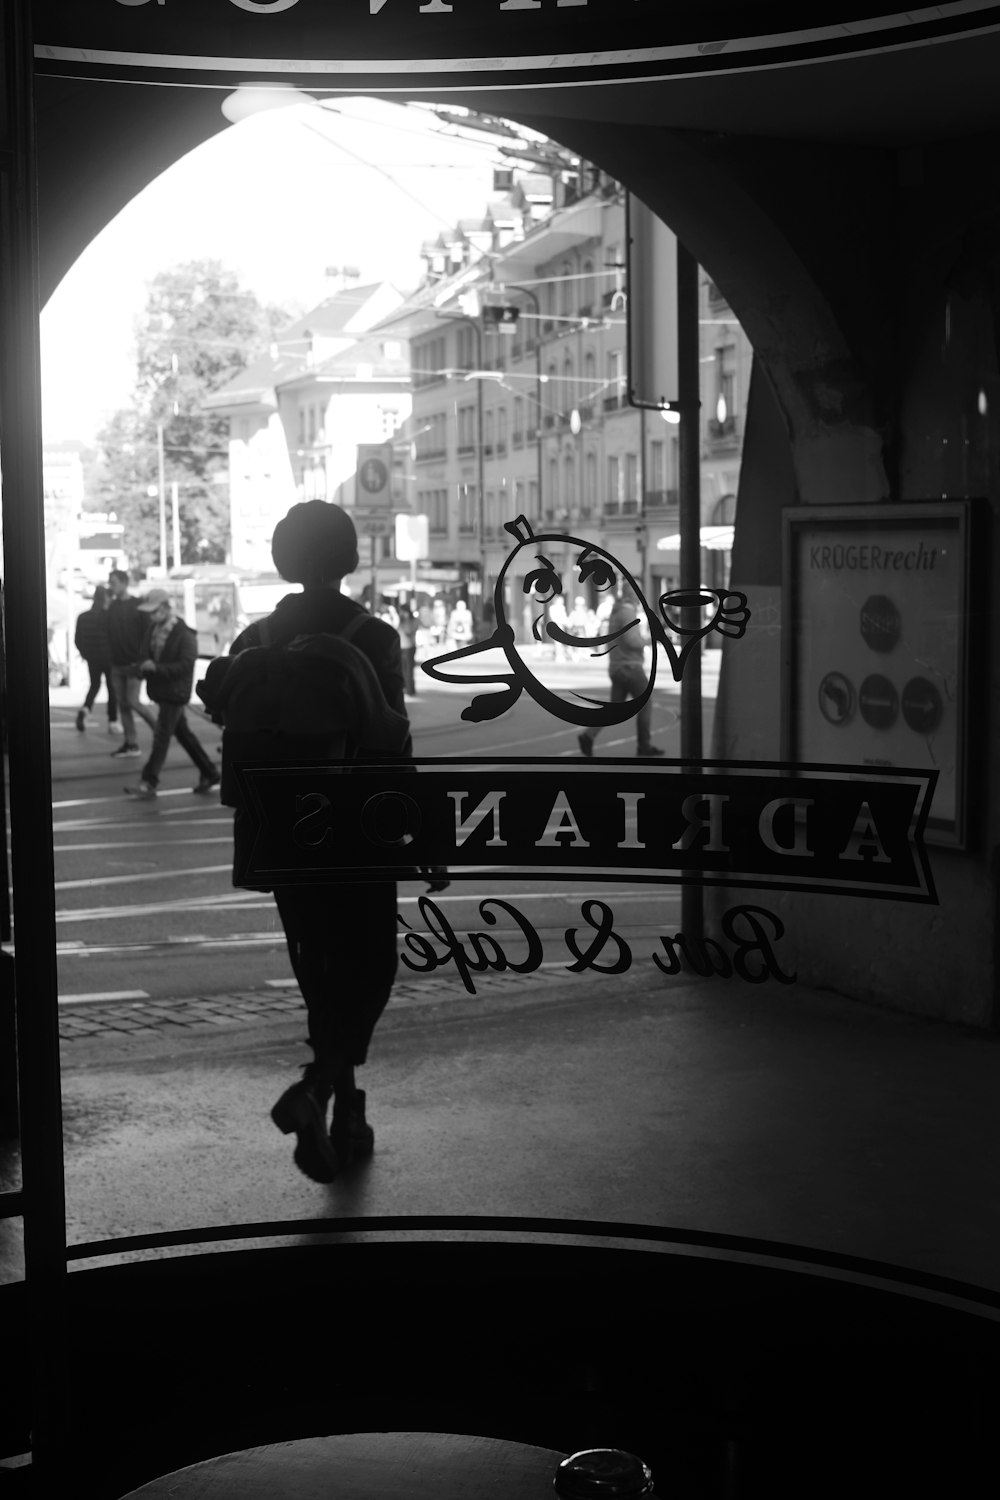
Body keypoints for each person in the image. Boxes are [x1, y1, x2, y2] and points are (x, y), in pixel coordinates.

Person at [219, 500, 446, 1184]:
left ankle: (347, 1113)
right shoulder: (370, 635)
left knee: (319, 972)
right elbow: (390, 741)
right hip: (355, 827)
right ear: (347, 555)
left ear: (286, 556)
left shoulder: (254, 637)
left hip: (280, 831)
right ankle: (319, 1092)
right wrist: (421, 828)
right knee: (370, 967)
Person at [122, 589, 221, 799]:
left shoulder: (184, 634)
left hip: (175, 694)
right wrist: (142, 667)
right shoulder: (153, 629)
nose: (151, 615)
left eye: (154, 611)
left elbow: (185, 665)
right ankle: (210, 772)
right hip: (162, 691)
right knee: (183, 734)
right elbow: (145, 655)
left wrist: (155, 667)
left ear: (166, 608)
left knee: (162, 736)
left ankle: (148, 781)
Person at [577, 593, 664, 758]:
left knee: (614, 709)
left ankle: (588, 736)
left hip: (617, 667)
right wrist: (651, 639)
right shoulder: (628, 612)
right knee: (646, 703)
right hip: (630, 667)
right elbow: (632, 640)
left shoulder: (616, 611)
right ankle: (644, 746)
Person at [106, 568, 158, 758]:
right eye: (110, 583)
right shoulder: (111, 606)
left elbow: (148, 632)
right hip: (117, 663)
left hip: (134, 663)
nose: (111, 586)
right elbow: (106, 632)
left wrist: (144, 658)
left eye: (114, 582)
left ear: (124, 583)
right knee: (124, 704)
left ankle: (159, 731)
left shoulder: (138, 606)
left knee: (133, 701)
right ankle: (131, 743)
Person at [74, 584, 120, 734]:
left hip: (92, 659)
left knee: (94, 685)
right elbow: (115, 638)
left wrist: (86, 654)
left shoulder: (83, 617)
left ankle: (86, 709)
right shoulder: (108, 617)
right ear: (105, 598)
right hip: (109, 658)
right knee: (112, 689)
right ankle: (113, 722)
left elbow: (77, 640)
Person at [396, 601, 418, 697]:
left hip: (409, 647)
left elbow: (408, 631)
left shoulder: (412, 621)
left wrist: (406, 620)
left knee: (409, 669)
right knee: (403, 669)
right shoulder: (400, 620)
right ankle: (406, 687)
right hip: (401, 647)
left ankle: (410, 689)